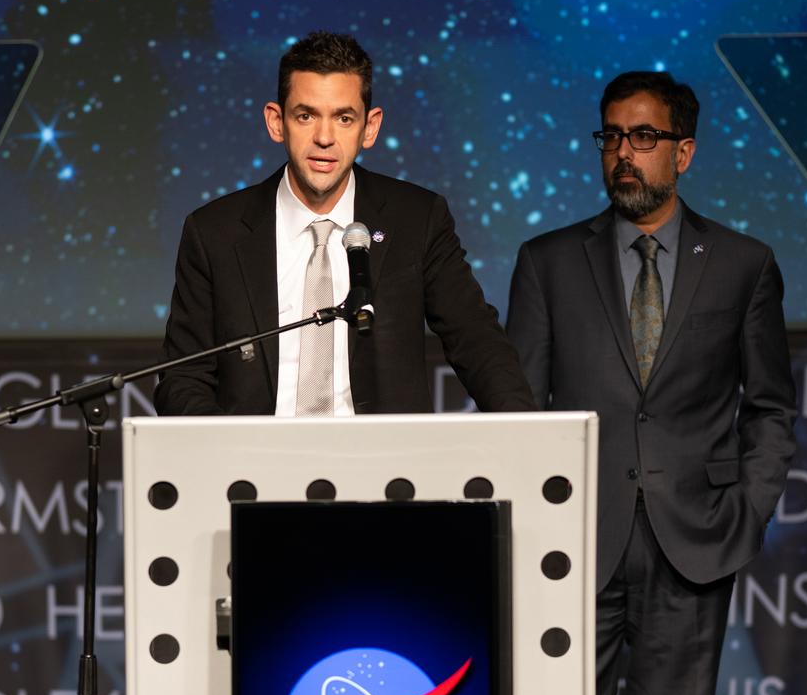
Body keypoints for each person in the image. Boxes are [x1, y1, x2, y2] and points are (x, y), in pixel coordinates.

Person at [507, 71, 796, 695]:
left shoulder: (743, 264)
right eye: (609, 137)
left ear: (684, 150)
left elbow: (770, 409)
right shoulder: (547, 262)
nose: (622, 154)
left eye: (642, 137)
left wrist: (747, 512)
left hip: (693, 543)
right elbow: (517, 414)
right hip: (572, 545)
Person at [154, 31, 533, 416]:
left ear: (369, 128)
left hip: (382, 465)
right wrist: (235, 458)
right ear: (276, 122)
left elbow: (477, 341)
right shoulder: (215, 233)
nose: (324, 137)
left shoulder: (416, 219)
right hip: (256, 464)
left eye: (344, 118)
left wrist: (530, 438)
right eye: (306, 116)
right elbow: (183, 378)